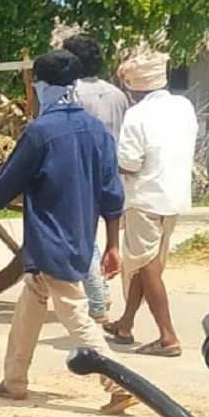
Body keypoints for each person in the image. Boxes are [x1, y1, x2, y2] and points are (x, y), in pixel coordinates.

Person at [0, 49, 137, 415]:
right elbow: (113, 192)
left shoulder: (40, 132)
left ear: (43, 86)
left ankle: (117, 385)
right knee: (31, 302)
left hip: (52, 235)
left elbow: (8, 181)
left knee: (76, 314)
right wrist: (113, 244)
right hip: (80, 235)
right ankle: (13, 381)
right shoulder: (96, 131)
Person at [103, 50, 198, 358]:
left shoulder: (137, 114)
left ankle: (168, 336)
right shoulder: (184, 106)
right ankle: (125, 324)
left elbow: (130, 163)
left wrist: (110, 165)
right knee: (147, 263)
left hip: (144, 197)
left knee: (145, 266)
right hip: (174, 196)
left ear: (134, 89)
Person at [62, 34, 130, 325]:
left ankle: (98, 301)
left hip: (82, 171)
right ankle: (100, 290)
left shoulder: (70, 93)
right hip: (112, 168)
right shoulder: (117, 94)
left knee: (84, 237)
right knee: (102, 236)